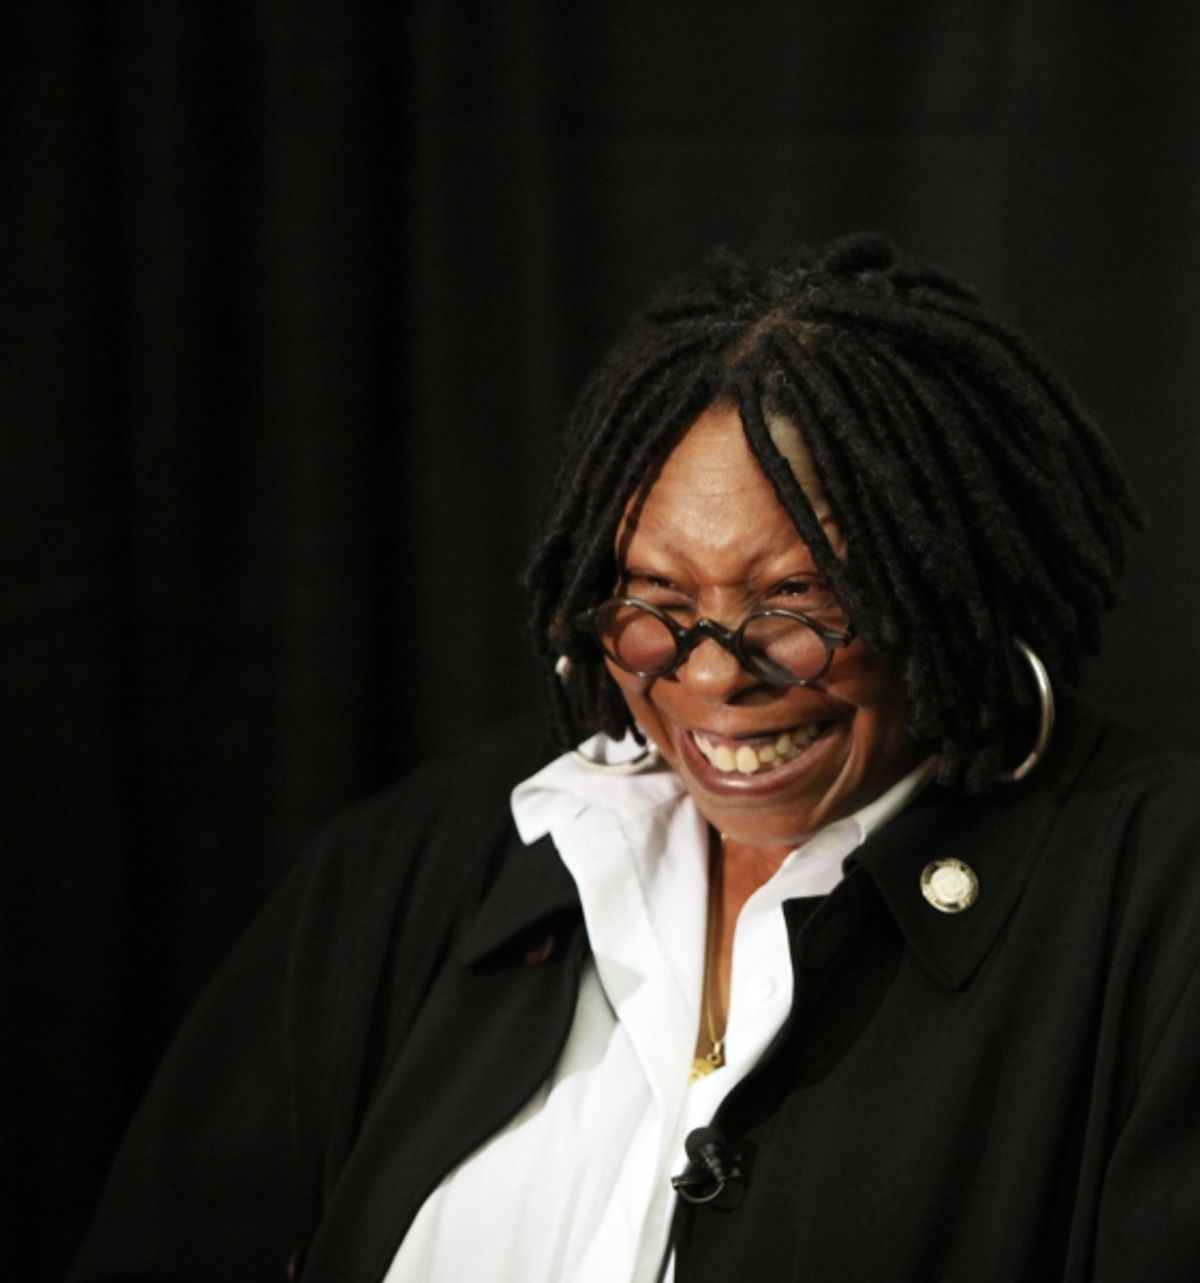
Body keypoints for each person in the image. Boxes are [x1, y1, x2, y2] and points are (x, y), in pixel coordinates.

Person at [71, 234, 1200, 1282]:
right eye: (657, 603)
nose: (714, 677)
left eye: (797, 603)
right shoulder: (427, 858)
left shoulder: (1154, 900)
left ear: (943, 592)